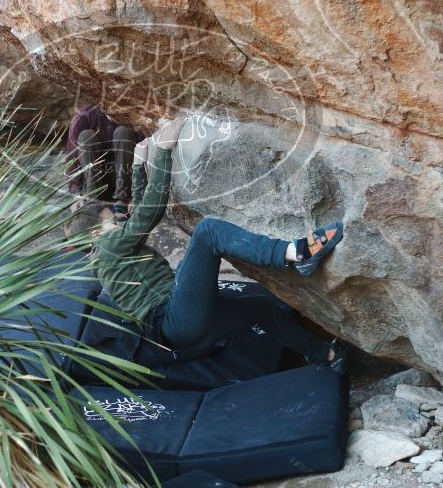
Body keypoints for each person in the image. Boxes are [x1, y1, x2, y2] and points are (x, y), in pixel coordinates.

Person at [93, 114, 347, 373]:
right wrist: (163, 151)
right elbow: (149, 212)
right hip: (175, 317)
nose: (116, 218)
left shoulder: (105, 256)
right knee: (208, 232)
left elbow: (137, 214)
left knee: (262, 309)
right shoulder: (107, 247)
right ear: (94, 234)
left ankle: (326, 356)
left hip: (184, 330)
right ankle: (296, 253)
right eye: (109, 220)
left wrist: (138, 165)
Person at [65, 105, 142, 235]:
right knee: (86, 136)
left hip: (124, 181)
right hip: (94, 183)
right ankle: (94, 206)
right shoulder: (84, 116)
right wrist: (76, 192)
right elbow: (72, 159)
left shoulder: (134, 113)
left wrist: (138, 194)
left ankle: (121, 205)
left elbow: (144, 157)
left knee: (124, 132)